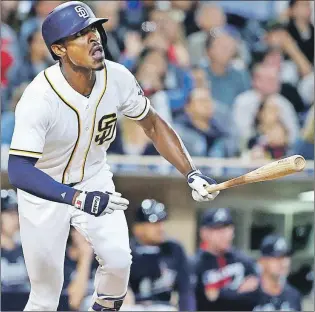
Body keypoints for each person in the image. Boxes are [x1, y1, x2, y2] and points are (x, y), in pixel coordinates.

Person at [7, 2, 220, 311]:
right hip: (45, 188)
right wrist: (77, 198)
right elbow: (18, 171)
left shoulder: (117, 77)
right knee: (45, 296)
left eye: (94, 28)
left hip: (94, 175)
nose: (93, 37)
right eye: (80, 34)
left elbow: (153, 124)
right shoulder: (39, 97)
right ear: (59, 49)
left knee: (119, 262)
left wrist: (191, 172)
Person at [124, 199, 196, 311]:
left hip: (164, 307)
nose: (161, 228)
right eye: (154, 223)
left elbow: (185, 291)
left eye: (162, 222)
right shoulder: (125, 251)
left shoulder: (174, 250)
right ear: (137, 228)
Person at [192, 208, 259, 311]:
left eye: (227, 228)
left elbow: (256, 296)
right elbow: (205, 300)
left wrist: (219, 294)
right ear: (204, 233)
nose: (224, 234)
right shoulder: (195, 264)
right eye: (217, 229)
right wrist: (239, 291)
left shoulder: (244, 261)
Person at [249, 235, 302, 311]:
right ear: (262, 261)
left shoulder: (294, 295)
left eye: (286, 256)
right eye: (278, 257)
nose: (284, 263)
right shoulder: (249, 294)